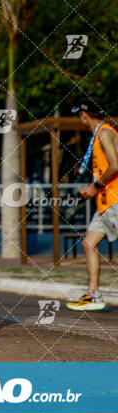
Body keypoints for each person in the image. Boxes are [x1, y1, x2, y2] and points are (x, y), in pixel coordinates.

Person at [67, 96, 118, 311]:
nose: (80, 119)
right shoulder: (101, 134)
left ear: (84, 115)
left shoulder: (105, 133)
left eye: (80, 115)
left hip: (114, 199)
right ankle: (93, 294)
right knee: (89, 243)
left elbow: (115, 165)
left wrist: (94, 186)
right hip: (105, 202)